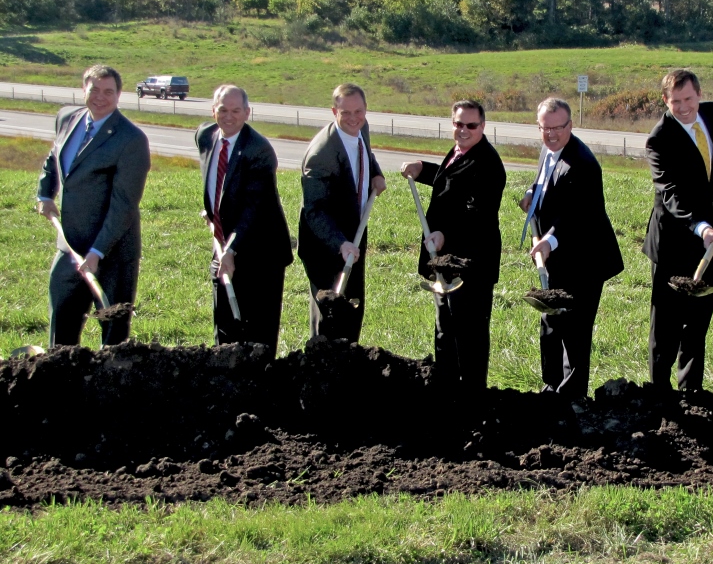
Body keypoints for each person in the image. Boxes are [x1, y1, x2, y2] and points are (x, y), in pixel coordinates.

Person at [643, 68, 713, 400]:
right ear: (665, 100)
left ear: (699, 95)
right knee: (667, 322)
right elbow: (669, 192)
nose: (684, 107)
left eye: (688, 99)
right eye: (675, 102)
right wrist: (700, 227)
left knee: (699, 317)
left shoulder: (711, 114)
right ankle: (660, 391)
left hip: (712, 235)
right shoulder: (659, 140)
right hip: (674, 238)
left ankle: (691, 392)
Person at [36, 64, 150, 347]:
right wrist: (45, 193)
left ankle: (107, 387)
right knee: (61, 322)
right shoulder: (67, 118)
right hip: (70, 244)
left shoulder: (131, 139)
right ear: (83, 88)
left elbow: (124, 204)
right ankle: (62, 379)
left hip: (112, 250)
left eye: (108, 92)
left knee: (113, 334)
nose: (100, 97)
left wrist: (98, 251)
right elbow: (54, 158)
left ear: (119, 95)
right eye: (94, 90)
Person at [518, 98, 623, 399]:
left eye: (558, 128)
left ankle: (572, 398)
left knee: (575, 331)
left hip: (585, 259)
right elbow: (545, 180)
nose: (551, 134)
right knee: (550, 320)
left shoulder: (584, 164)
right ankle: (550, 387)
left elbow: (578, 216)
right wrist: (530, 194)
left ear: (570, 125)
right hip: (557, 256)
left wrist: (548, 241)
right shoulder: (549, 149)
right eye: (545, 128)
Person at [401, 99, 506, 392]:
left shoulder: (488, 164)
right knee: (446, 328)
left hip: (471, 265)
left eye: (470, 125)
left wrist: (444, 235)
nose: (463, 130)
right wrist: (422, 169)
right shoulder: (461, 151)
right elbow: (450, 180)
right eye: (458, 124)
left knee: (468, 334)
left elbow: (477, 215)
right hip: (446, 262)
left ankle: (472, 397)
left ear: (483, 127)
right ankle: (448, 390)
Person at [195, 85, 293, 354]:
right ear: (213, 110)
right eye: (223, 110)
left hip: (262, 251)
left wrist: (231, 250)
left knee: (258, 333)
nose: (229, 116)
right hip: (224, 242)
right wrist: (212, 211)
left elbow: (254, 208)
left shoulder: (259, 150)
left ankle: (260, 388)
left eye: (236, 110)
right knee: (225, 324)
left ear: (247, 112)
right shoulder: (205, 136)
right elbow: (216, 184)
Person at [298, 83, 386, 341]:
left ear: (365, 110)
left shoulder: (361, 127)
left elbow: (364, 152)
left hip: (354, 234)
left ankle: (349, 365)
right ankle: (322, 372)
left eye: (358, 111)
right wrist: (340, 243)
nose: (353, 118)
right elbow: (314, 211)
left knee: (353, 307)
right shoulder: (321, 154)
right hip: (325, 244)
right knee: (330, 316)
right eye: (345, 113)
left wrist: (376, 172)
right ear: (333, 111)